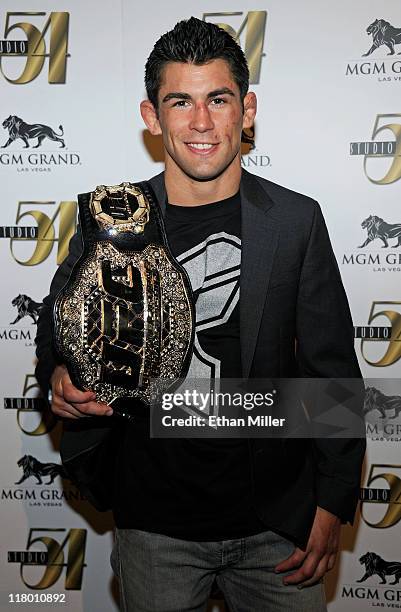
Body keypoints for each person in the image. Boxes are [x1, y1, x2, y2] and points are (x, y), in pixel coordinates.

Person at [35, 17, 366, 612]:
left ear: (248, 109)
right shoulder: (110, 219)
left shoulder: (295, 222)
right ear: (151, 117)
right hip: (154, 527)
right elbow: (56, 335)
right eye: (180, 102)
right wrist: (60, 379)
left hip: (277, 529)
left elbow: (331, 372)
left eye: (219, 99)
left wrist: (332, 504)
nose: (202, 123)